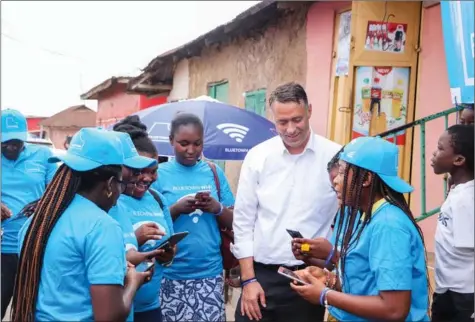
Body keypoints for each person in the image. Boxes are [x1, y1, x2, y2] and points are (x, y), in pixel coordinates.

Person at [11, 128, 152, 322]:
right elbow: (109, 316)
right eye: (121, 184)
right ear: (110, 184)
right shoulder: (102, 227)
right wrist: (133, 282)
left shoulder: (36, 221)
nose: (121, 192)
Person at [232, 82, 341, 322]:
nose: (291, 129)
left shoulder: (335, 157)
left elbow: (345, 218)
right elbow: (243, 222)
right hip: (260, 277)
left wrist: (328, 270)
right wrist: (248, 280)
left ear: (309, 111)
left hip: (308, 280)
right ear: (273, 119)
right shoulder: (258, 157)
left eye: (297, 119)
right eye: (282, 122)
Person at [290, 136, 430, 321]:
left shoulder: (389, 226)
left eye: (341, 172)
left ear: (366, 179)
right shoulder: (368, 216)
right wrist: (328, 278)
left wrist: (325, 295)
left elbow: (394, 309)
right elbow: (365, 284)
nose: (335, 181)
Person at [154, 112, 234, 322]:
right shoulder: (158, 174)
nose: (191, 150)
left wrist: (216, 207)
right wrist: (176, 209)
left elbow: (235, 221)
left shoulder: (214, 172)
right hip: (169, 274)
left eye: (197, 144)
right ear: (171, 141)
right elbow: (150, 225)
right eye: (184, 143)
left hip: (209, 272)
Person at [111, 116, 176, 322]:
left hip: (151, 305)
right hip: (115, 304)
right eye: (140, 171)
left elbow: (171, 243)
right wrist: (136, 240)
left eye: (153, 171)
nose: (147, 178)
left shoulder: (157, 199)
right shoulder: (109, 199)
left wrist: (167, 254)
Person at [1, 108, 57, 319]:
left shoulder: (43, 156)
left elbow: (56, 190)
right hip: (2, 248)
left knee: (31, 308)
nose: (12, 146)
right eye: (5, 141)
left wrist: (43, 203)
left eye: (17, 141)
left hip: (35, 244)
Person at [430, 124, 474, 321]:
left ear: (458, 160)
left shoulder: (465, 200)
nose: (433, 153)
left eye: (440, 148)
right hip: (448, 290)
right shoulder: (459, 191)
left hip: (463, 297)